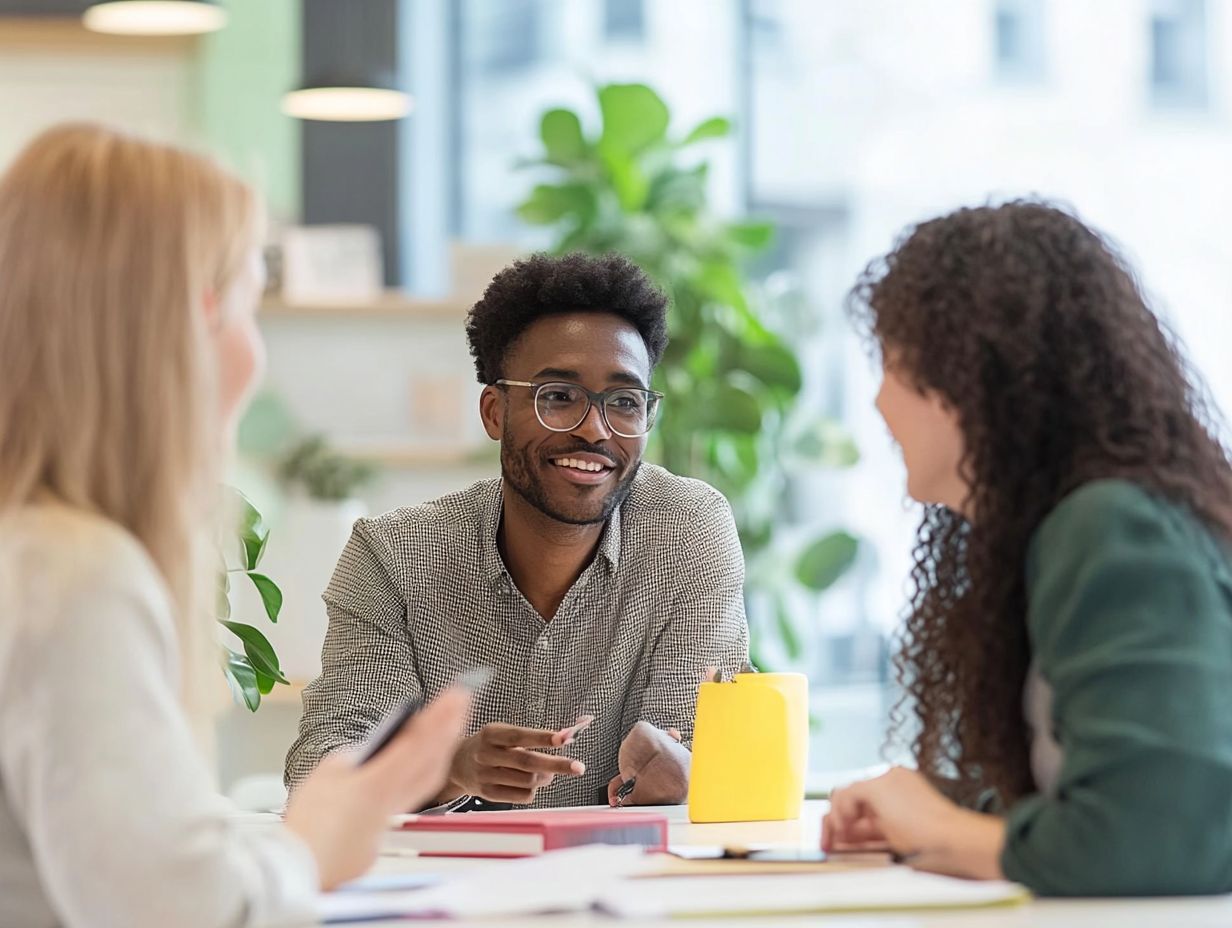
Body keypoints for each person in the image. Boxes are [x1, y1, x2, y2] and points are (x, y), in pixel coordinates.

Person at [0, 124, 471, 927]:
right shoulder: (76, 578)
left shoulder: (36, 555)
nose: (258, 355)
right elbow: (178, 909)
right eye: (250, 307)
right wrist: (312, 846)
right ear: (188, 324)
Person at [822, 200, 1232, 895]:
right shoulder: (1083, 523)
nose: (879, 403)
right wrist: (938, 804)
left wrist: (939, 831)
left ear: (968, 377)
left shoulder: (1109, 526)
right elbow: (1098, 791)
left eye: (890, 363)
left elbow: (1157, 835)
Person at [286, 252, 750, 810]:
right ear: (494, 413)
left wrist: (687, 771)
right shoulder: (393, 556)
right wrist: (449, 767)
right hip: (452, 890)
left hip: (631, 883)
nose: (595, 431)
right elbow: (322, 768)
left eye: (625, 403)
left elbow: (697, 747)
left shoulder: (687, 533)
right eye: (558, 397)